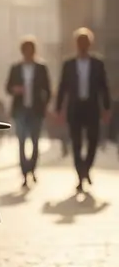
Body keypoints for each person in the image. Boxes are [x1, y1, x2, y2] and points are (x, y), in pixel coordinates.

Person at [56, 27, 111, 193]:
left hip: (92, 107)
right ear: (76, 44)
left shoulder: (97, 63)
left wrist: (107, 108)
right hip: (75, 108)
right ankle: (81, 176)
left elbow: (104, 87)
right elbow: (62, 87)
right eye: (80, 42)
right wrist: (58, 108)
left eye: (85, 42)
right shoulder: (69, 64)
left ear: (90, 44)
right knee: (77, 144)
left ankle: (87, 168)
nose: (83, 45)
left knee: (93, 141)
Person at [5, 36, 51, 188]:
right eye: (25, 51)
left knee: (35, 142)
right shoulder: (16, 68)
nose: (28, 53)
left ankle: (32, 168)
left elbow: (48, 89)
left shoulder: (41, 67)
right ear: (22, 52)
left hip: (36, 110)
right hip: (20, 110)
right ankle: (25, 173)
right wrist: (15, 89)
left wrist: (45, 105)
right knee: (21, 142)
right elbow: (8, 87)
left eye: (30, 51)